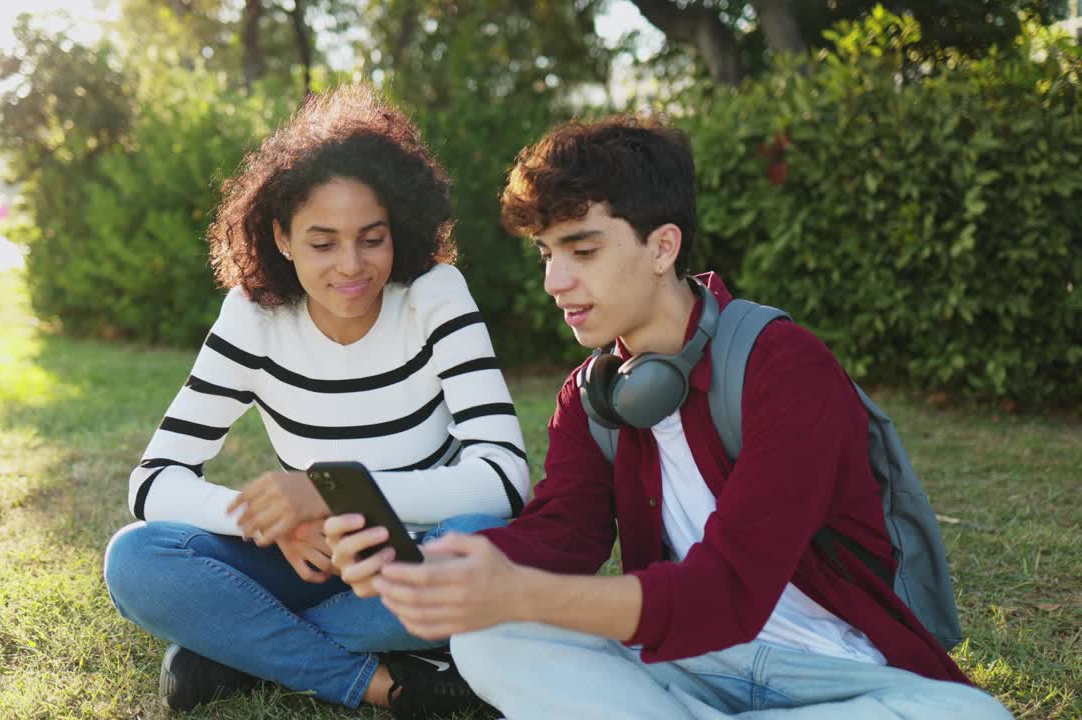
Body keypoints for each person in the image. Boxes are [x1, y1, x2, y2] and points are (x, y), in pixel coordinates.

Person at [326, 115, 1012, 719]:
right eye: (547, 254)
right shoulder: (589, 397)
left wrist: (522, 590)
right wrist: (436, 565)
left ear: (662, 247)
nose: (553, 281)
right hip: (683, 663)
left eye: (582, 250)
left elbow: (730, 593)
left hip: (834, 675)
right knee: (488, 634)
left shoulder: (784, 366)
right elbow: (561, 537)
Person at [102, 86, 529, 719]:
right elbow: (153, 480)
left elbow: (504, 478)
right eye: (322, 242)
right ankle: (382, 682)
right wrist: (284, 523)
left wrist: (329, 489)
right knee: (136, 559)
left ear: (398, 231)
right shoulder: (255, 317)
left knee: (486, 545)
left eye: (372, 239)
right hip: (308, 560)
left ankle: (234, 653)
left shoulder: (434, 295)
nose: (350, 267)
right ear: (281, 237)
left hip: (418, 558)